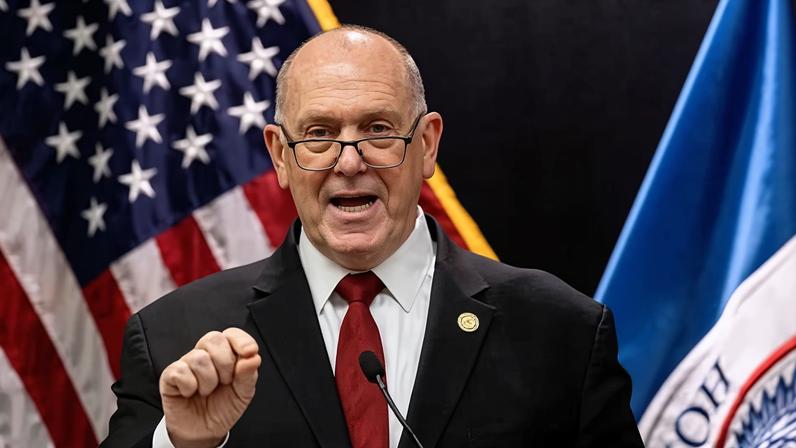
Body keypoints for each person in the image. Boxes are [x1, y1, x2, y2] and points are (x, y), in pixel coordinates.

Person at [101, 25, 643, 448]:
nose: (350, 162)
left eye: (379, 130)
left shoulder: (560, 333)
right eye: (319, 135)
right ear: (280, 156)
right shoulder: (176, 337)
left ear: (427, 145)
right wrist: (185, 443)